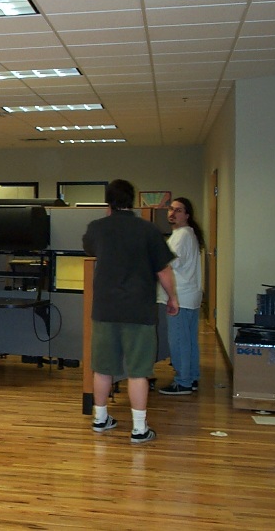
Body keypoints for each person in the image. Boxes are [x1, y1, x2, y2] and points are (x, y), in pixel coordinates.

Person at [83, 179, 178, 445]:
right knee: (138, 371)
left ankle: (100, 419)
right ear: (132, 200)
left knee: (102, 368)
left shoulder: (96, 228)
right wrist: (172, 298)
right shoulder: (148, 230)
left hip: (105, 309)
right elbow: (163, 270)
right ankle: (138, 429)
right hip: (138, 310)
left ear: (108, 202)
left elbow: (90, 249)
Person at [157, 197, 204, 395]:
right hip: (189, 296)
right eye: (171, 209)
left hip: (180, 297)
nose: (172, 213)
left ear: (187, 215)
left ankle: (183, 382)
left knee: (179, 342)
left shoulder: (182, 235)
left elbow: (168, 263)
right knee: (189, 341)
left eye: (178, 210)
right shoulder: (187, 233)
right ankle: (191, 378)